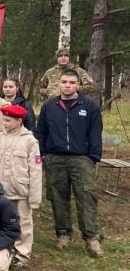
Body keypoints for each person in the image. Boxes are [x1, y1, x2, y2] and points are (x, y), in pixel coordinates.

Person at [36, 69, 103, 257]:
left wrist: (93, 156)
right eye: (64, 82)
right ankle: (63, 234)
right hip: (55, 158)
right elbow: (41, 132)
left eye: (72, 82)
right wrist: (44, 155)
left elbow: (95, 132)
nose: (67, 85)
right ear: (59, 83)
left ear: (78, 85)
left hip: (81, 159)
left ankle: (92, 238)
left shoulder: (89, 106)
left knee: (86, 197)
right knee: (58, 197)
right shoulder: (49, 106)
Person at [0, 105, 43, 268]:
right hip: (1, 191)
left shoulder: (29, 141)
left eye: (8, 120)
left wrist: (34, 198)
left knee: (23, 223)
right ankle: (3, 248)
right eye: (3, 120)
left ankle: (22, 253)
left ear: (19, 121)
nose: (4, 123)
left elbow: (36, 170)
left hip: (21, 190)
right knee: (1, 221)